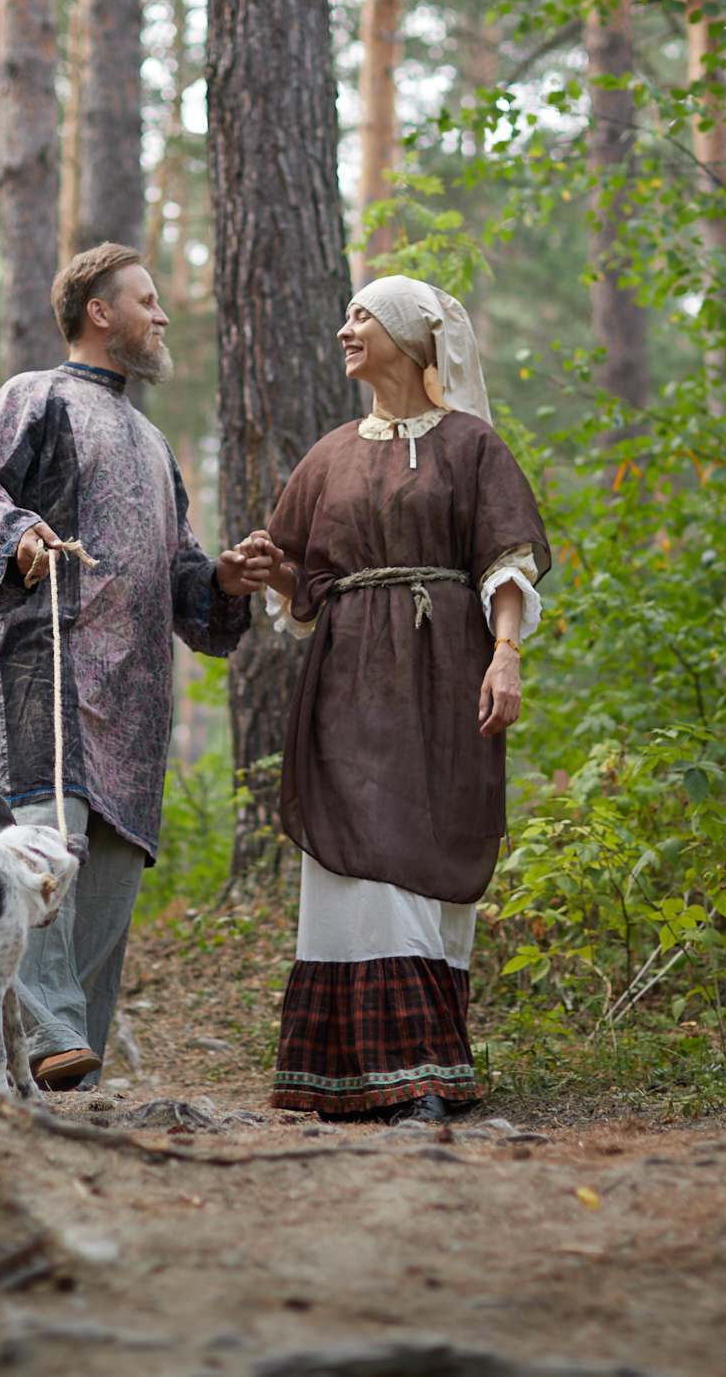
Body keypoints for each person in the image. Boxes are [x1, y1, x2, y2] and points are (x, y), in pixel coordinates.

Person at [0, 243, 279, 1090]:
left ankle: (69, 1073)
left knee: (108, 887)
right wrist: (20, 536)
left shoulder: (154, 443)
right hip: (40, 671)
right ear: (101, 312)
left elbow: (185, 580)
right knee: (38, 856)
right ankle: (49, 1026)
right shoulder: (36, 396)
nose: (161, 316)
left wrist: (225, 580)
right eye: (148, 300)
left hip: (132, 700)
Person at [256, 274, 548, 1123]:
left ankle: (424, 1068)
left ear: (412, 339)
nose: (345, 327)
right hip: (346, 685)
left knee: (422, 849)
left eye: (362, 315)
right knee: (359, 849)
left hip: (445, 678)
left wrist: (506, 655)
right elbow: (300, 577)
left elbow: (507, 560)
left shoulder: (471, 446)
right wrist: (264, 567)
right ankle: (368, 1073)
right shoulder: (331, 453)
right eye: (345, 311)